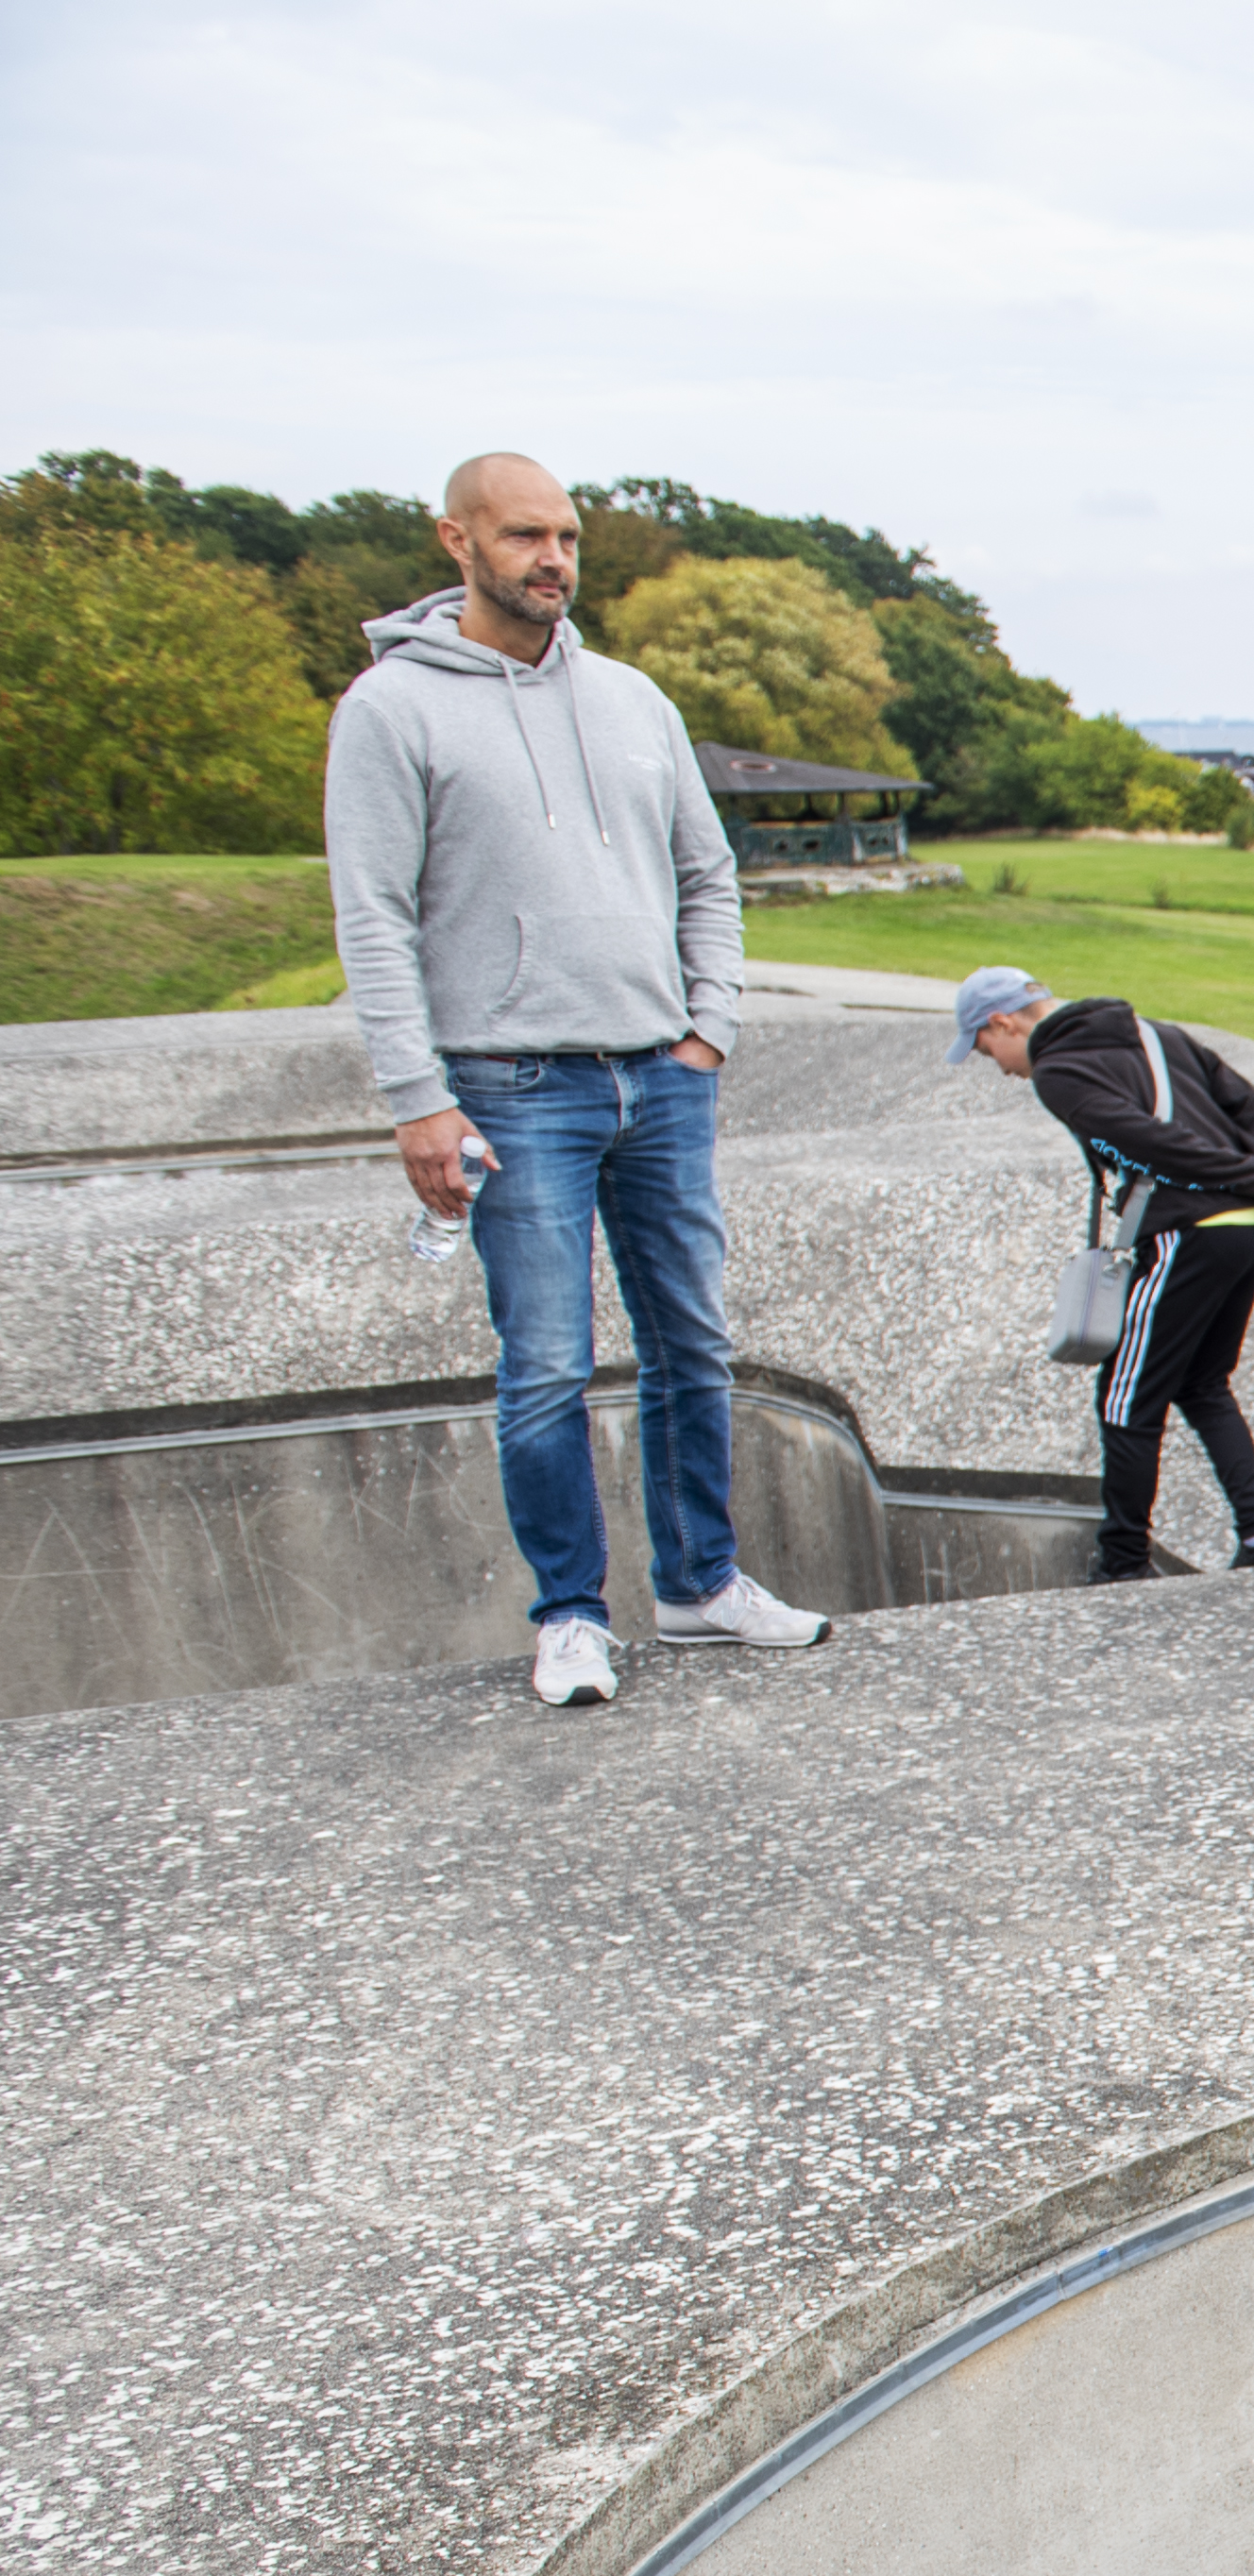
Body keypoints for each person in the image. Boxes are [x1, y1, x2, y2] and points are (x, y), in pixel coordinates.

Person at [323, 449, 825, 1708]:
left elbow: (708, 873)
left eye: (567, 537)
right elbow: (373, 919)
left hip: (660, 1077)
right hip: (507, 1086)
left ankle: (702, 1584)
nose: (552, 559)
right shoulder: (392, 710)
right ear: (458, 542)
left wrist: (707, 1027)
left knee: (693, 1343)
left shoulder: (633, 698)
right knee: (546, 1362)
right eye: (523, 537)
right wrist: (416, 1099)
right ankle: (569, 1614)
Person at [955, 964, 1254, 1581]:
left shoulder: (1059, 1071)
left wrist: (1242, 1176)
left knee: (1125, 1394)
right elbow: (1247, 1104)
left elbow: (1138, 1141)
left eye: (989, 1051)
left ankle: (1122, 1562)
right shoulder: (1156, 1034)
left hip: (1187, 1232)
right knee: (1201, 1382)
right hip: (1247, 1229)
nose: (1002, 1067)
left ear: (1003, 1021)